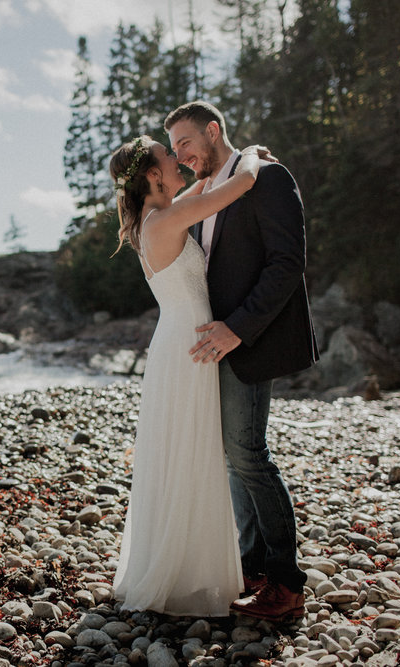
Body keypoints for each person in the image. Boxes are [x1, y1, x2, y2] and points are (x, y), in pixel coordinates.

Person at [165, 101, 319, 621]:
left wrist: (237, 329)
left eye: (186, 143)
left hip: (247, 340)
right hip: (215, 344)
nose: (180, 156)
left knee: (249, 455)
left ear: (212, 131)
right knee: (235, 459)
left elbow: (287, 262)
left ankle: (286, 583)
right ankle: (253, 567)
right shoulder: (210, 190)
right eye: (174, 149)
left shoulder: (268, 178)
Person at [109, 134, 266, 616]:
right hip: (188, 348)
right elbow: (239, 184)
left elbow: (204, 185)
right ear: (154, 175)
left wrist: (203, 168)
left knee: (186, 450)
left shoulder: (156, 216)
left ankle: (185, 566)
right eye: (168, 156)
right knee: (193, 450)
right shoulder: (167, 218)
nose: (177, 160)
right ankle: (186, 575)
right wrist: (254, 153)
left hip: (179, 342)